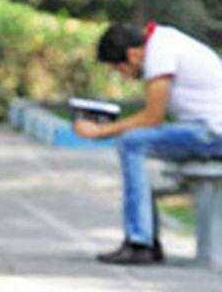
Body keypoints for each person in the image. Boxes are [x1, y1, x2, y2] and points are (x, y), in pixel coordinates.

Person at [75, 22, 222, 264]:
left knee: (132, 142)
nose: (123, 76)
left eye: (119, 69)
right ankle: (144, 238)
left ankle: (140, 242)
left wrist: (100, 131)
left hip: (213, 132)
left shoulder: (160, 52)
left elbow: (152, 118)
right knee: (133, 141)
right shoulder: (163, 42)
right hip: (207, 130)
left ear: (133, 54)